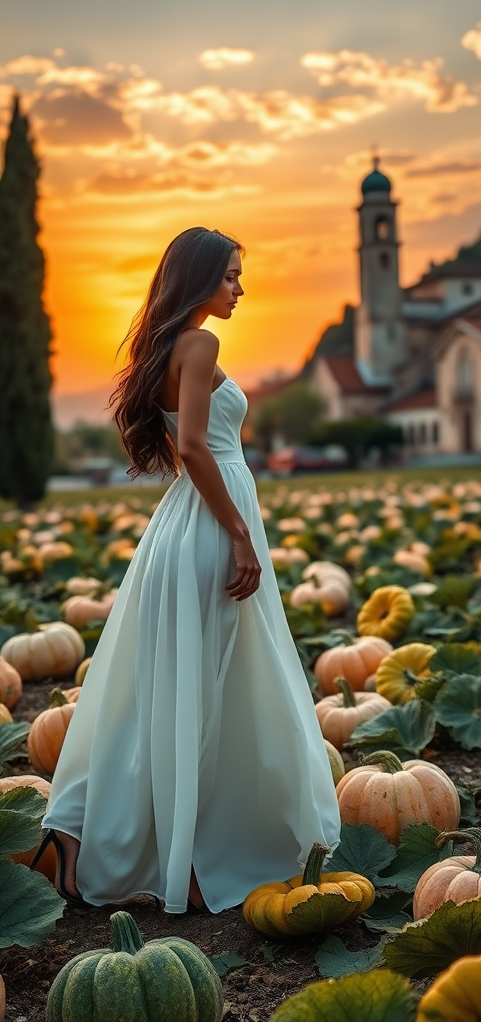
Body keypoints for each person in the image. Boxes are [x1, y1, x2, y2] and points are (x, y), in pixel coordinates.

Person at [39, 227, 341, 914]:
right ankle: (186, 859)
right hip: (210, 523)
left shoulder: (171, 345)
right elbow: (199, 449)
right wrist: (238, 535)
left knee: (191, 683)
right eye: (231, 275)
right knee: (211, 685)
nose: (241, 287)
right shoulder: (200, 344)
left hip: (190, 520)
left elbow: (189, 450)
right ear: (200, 278)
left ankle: (114, 833)